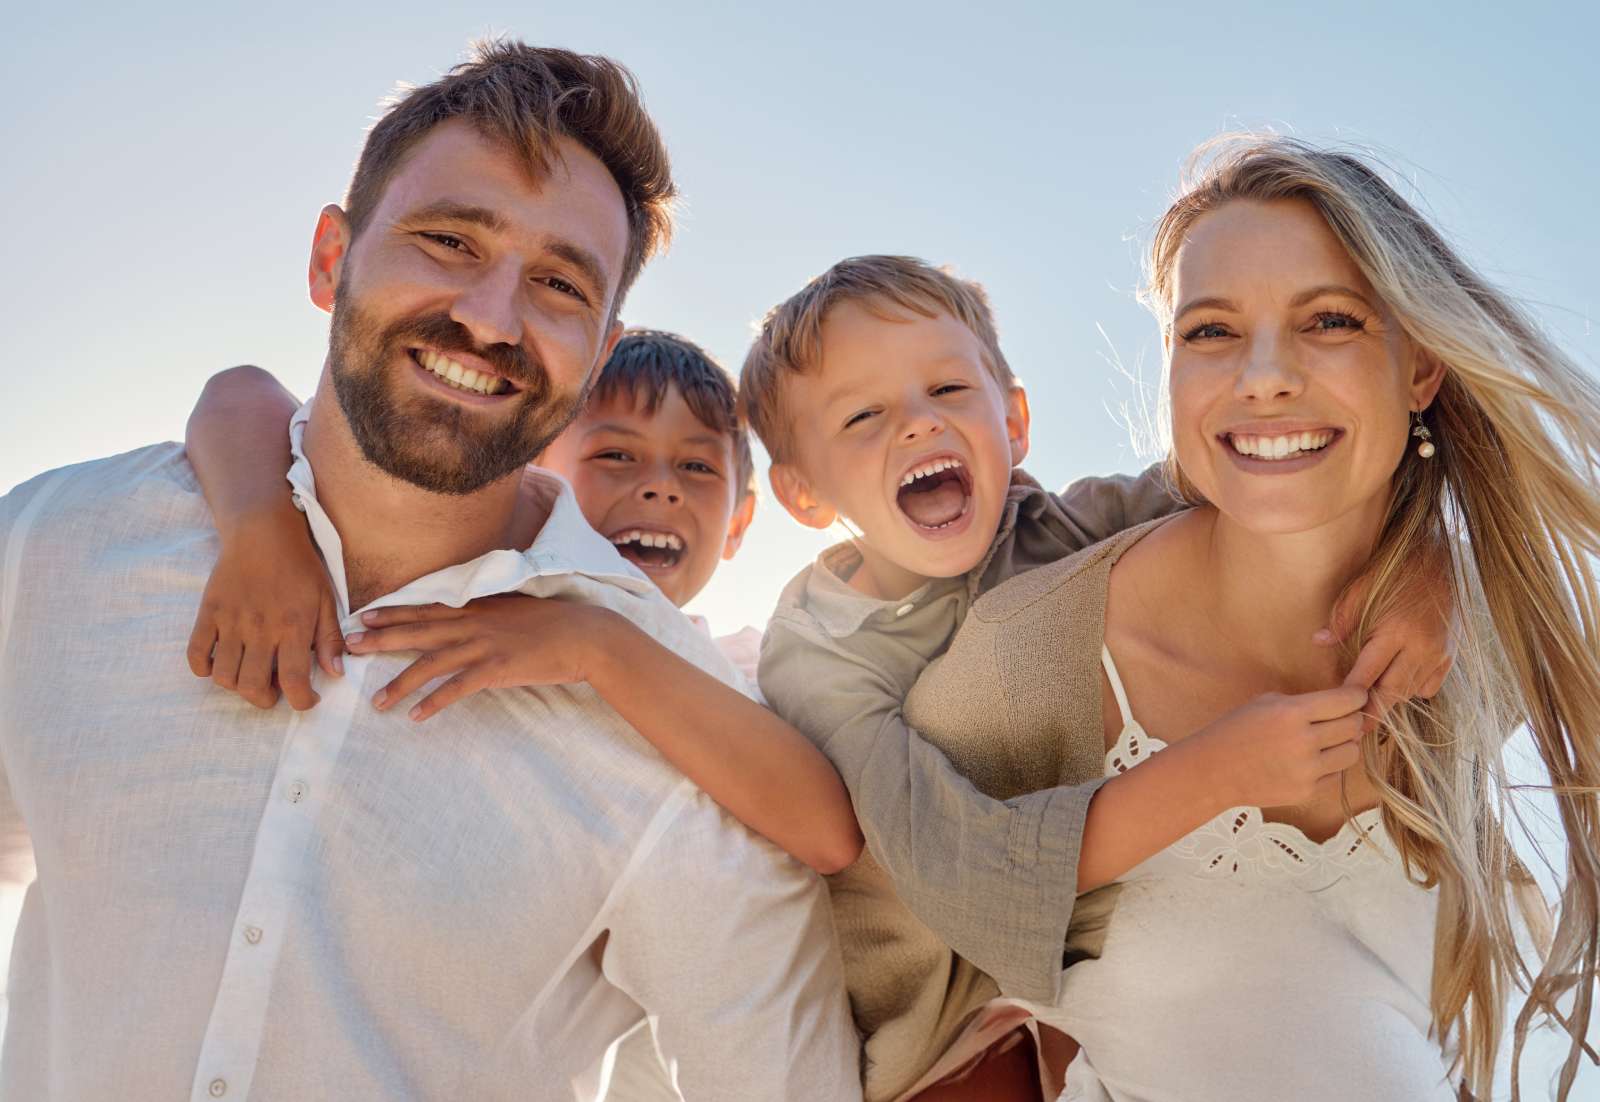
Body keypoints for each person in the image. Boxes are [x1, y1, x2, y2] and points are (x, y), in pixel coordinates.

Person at [0, 40, 860, 1101]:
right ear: (330, 259)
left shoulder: (674, 733)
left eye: (556, 282)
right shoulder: (54, 551)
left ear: (597, 349)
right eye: (450, 241)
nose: (492, 318)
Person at [905, 135, 1600, 1100]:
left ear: (1423, 372)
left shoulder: (1494, 628)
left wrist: (1453, 568)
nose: (1262, 376)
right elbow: (858, 954)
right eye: (1211, 332)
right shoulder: (1032, 660)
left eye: (1329, 320)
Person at [739, 255, 1456, 1100]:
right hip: (935, 1012)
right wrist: (1215, 773)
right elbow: (951, 869)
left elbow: (1275, 479)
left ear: (1014, 421)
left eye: (947, 391)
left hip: (1085, 941)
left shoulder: (1069, 523)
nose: (916, 426)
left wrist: (1427, 566)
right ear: (804, 496)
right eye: (863, 415)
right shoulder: (822, 652)